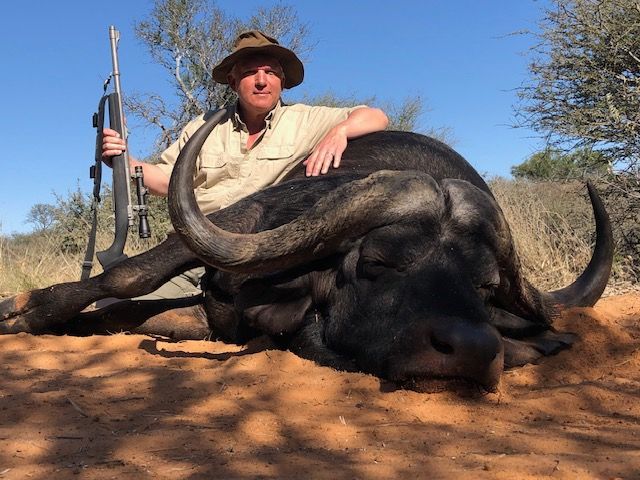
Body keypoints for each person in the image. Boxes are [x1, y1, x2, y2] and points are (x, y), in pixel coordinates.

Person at [101, 30, 388, 300]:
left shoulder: (306, 120)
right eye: (250, 72)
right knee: (112, 305)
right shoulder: (202, 126)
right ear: (233, 81)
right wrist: (126, 162)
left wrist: (340, 131)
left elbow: (375, 117)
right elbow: (166, 180)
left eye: (271, 72)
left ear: (282, 81)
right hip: (190, 254)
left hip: (257, 260)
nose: (262, 80)